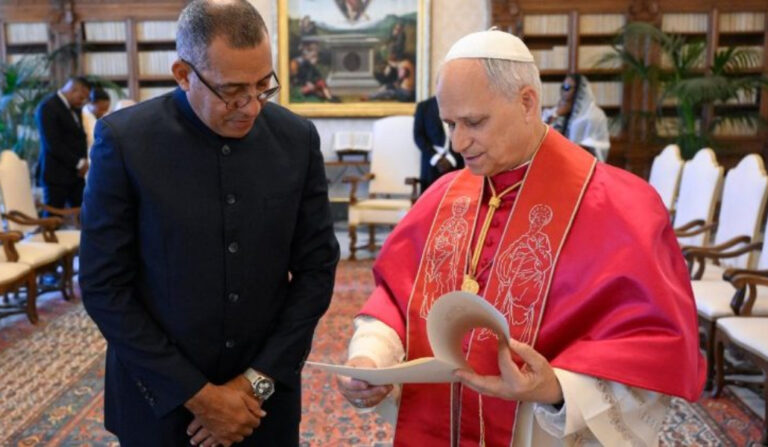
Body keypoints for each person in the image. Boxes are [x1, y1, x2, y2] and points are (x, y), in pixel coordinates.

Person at [336, 29, 704, 446]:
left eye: (474, 122)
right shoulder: (441, 197)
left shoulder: (620, 206)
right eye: (450, 124)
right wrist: (370, 357)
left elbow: (649, 348)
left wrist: (556, 389)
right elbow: (395, 300)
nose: (458, 143)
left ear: (527, 102)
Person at [80, 1, 340, 446]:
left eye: (263, 86)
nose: (251, 107)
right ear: (183, 75)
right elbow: (104, 286)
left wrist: (254, 386)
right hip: (160, 405)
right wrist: (199, 397)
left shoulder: (296, 139)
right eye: (232, 91)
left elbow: (316, 271)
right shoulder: (125, 142)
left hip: (264, 405)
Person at [35, 76, 91, 209]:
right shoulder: (48, 107)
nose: (82, 102)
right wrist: (79, 163)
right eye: (81, 97)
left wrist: (83, 163)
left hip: (76, 175)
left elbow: (79, 138)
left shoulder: (75, 108)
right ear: (73, 89)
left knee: (84, 213)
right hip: (56, 175)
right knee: (53, 216)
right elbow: (53, 144)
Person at [542, 73, 611, 162]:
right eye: (562, 87)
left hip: (581, 163)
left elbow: (597, 146)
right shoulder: (556, 111)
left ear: (579, 90)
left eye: (567, 87)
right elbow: (542, 135)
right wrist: (557, 114)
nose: (563, 92)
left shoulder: (594, 115)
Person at [413, 96, 464, 192]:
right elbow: (419, 137)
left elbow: (465, 134)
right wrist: (437, 159)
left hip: (455, 162)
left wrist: (450, 159)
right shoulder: (424, 107)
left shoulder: (461, 105)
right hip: (431, 163)